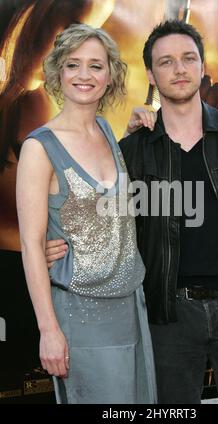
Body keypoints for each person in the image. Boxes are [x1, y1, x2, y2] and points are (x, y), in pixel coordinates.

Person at [46, 20, 218, 404]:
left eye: (188, 58)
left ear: (202, 66)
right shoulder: (134, 151)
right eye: (167, 61)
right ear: (151, 73)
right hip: (167, 313)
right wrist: (58, 245)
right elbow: (104, 222)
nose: (179, 69)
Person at [16, 23, 157, 404]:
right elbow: (31, 247)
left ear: (110, 75)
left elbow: (107, 208)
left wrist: (130, 130)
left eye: (96, 66)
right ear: (58, 72)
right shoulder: (38, 148)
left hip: (131, 305)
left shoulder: (106, 132)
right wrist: (49, 330)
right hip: (80, 316)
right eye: (73, 64)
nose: (84, 75)